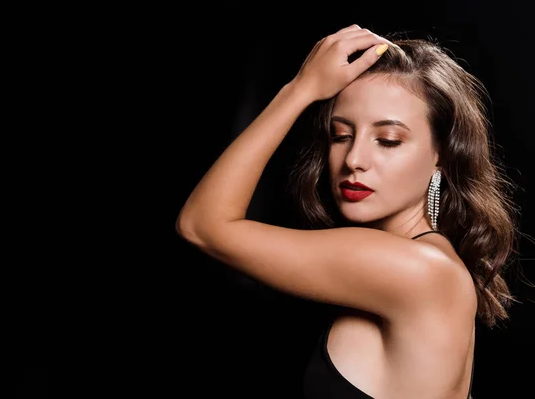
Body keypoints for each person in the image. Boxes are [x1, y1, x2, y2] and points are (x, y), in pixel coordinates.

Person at [175, 24, 520, 398]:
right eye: (340, 135)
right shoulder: (431, 265)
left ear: (442, 156)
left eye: (388, 141)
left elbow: (201, 225)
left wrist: (299, 90)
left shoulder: (417, 270)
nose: (354, 159)